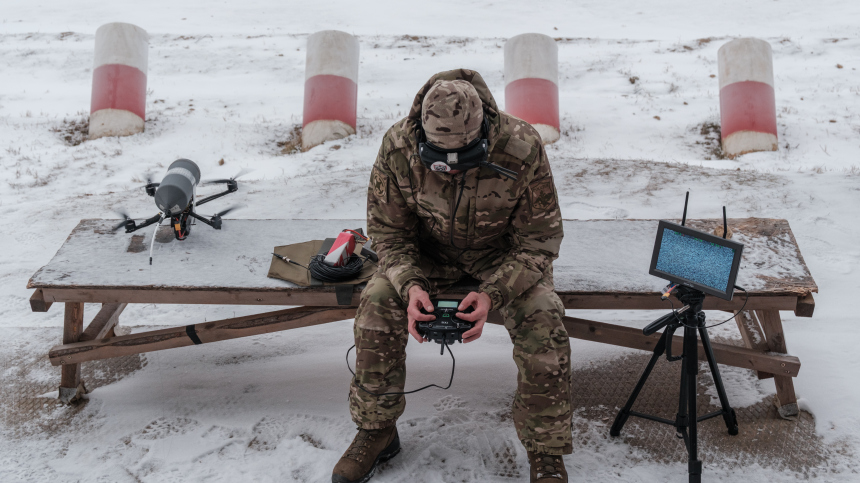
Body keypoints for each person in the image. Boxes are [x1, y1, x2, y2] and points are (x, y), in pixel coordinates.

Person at [332, 69, 571, 483]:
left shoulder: (521, 147)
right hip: (427, 257)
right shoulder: (398, 148)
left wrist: (493, 293)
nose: (454, 172)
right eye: (441, 162)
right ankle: (377, 429)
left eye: (467, 159)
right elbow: (389, 234)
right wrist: (410, 286)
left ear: (484, 137)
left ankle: (545, 449)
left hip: (502, 258)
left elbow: (539, 241)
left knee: (543, 315)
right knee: (376, 303)